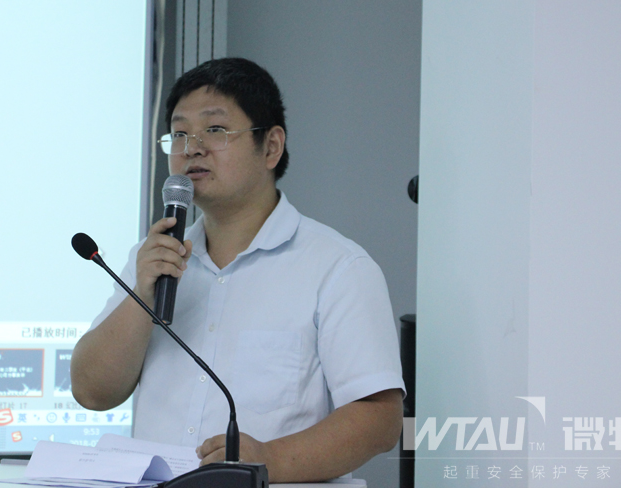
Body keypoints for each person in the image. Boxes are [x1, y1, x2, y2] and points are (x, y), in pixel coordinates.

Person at [71, 58, 404, 483]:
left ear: (271, 147)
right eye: (180, 133)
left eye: (215, 129)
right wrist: (142, 295)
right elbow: (92, 391)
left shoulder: (337, 267)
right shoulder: (153, 259)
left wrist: (270, 459)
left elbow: (380, 419)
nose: (192, 148)